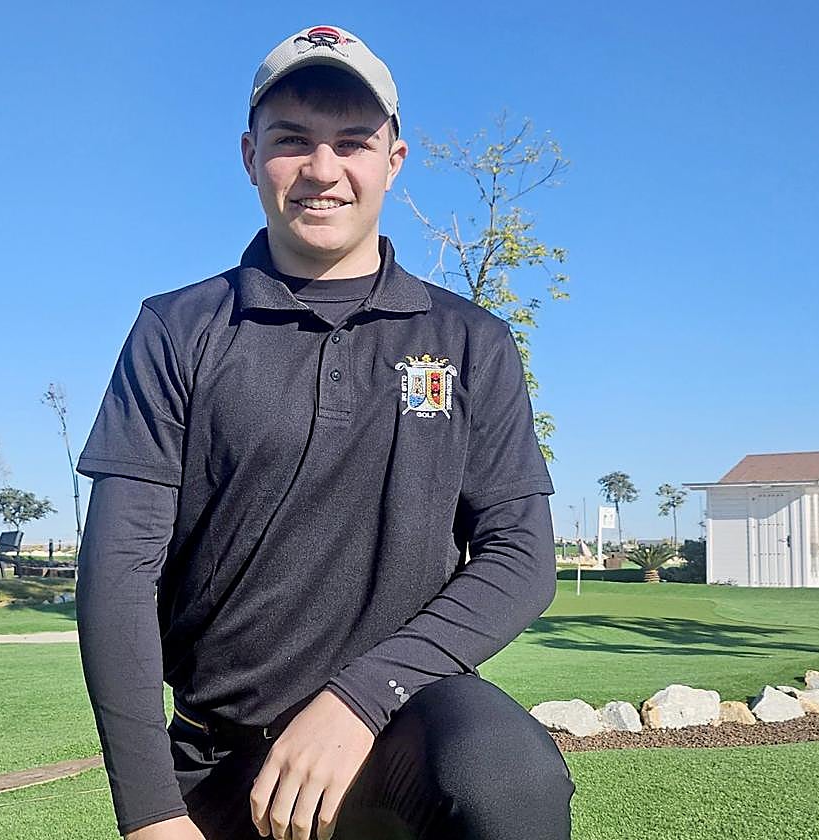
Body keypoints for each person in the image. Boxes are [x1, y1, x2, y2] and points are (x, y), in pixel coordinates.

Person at [75, 24, 575, 840]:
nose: (322, 170)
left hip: (403, 735)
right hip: (224, 759)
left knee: (507, 776)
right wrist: (150, 813)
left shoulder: (471, 342)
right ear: (248, 156)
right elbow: (119, 571)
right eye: (292, 141)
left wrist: (361, 695)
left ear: (394, 161)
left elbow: (521, 558)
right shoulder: (178, 329)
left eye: (352, 143)